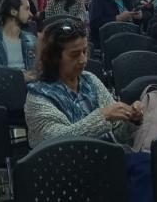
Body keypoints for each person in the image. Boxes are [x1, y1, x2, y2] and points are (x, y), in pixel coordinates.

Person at [24, 18, 141, 148]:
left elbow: (117, 134)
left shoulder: (90, 80)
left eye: (84, 51)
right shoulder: (38, 97)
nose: (83, 60)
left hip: (107, 157)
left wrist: (131, 119)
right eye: (74, 55)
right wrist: (103, 116)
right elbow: (55, 143)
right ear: (53, 58)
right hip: (68, 166)